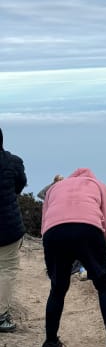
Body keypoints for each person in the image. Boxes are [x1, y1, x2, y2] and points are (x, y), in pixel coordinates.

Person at [40, 167, 106, 347]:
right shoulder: (99, 185)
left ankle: (50, 345)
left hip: (54, 233)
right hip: (88, 230)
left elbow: (44, 226)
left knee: (57, 289)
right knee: (104, 284)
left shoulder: (54, 188)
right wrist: (98, 247)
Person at [0, 128, 27, 333]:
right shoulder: (13, 162)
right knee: (7, 270)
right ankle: (0, 316)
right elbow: (20, 186)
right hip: (8, 228)